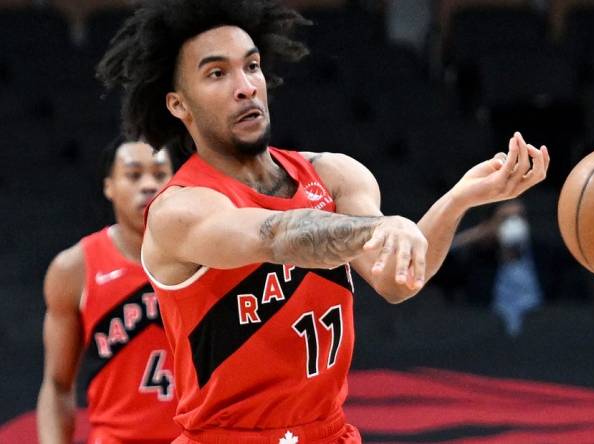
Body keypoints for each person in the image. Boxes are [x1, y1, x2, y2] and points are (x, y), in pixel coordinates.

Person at [96, 1, 550, 442]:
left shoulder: (335, 174)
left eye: (251, 66)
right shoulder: (180, 209)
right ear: (179, 105)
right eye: (217, 73)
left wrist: (459, 198)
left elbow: (397, 279)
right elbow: (275, 234)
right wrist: (378, 228)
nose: (245, 86)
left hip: (329, 433)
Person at [37, 139, 178, 443]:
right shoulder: (74, 268)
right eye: (134, 174)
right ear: (109, 186)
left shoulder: (208, 258)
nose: (149, 185)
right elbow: (57, 384)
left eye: (160, 173)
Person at [441, 200, 543, 336]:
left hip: (539, 328)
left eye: (520, 216)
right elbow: (436, 263)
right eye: (505, 218)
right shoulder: (478, 256)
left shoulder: (544, 255)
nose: (515, 222)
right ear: (490, 224)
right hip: (488, 330)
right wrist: (474, 235)